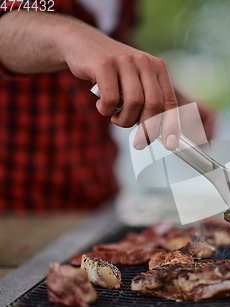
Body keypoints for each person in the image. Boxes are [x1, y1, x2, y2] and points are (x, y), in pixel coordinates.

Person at [0, 0, 216, 211]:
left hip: (97, 199)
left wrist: (162, 92)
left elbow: (111, 46)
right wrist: (71, 36)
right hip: (15, 210)